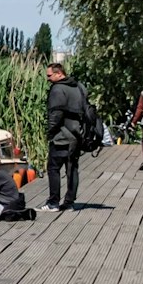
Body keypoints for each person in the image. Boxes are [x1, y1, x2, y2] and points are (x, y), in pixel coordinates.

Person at [42, 61, 89, 211]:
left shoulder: (57, 89)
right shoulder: (79, 87)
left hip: (61, 136)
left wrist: (49, 132)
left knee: (53, 168)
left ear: (59, 73)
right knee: (72, 169)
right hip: (77, 136)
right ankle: (69, 202)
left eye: (49, 75)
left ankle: (53, 202)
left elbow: (55, 114)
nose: (48, 78)